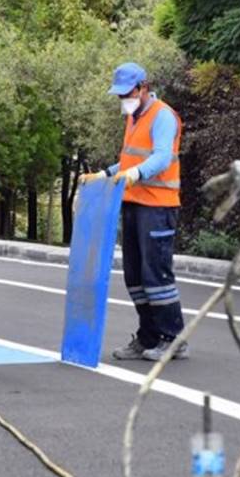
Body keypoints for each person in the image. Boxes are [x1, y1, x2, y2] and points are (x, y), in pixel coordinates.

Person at [81, 62, 187, 361]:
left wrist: (135, 174)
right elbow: (129, 162)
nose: (123, 99)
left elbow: (162, 158)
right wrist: (105, 174)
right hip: (132, 202)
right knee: (135, 276)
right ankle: (148, 336)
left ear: (143, 88)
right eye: (120, 95)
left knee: (156, 276)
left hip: (158, 206)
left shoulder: (162, 116)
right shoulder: (133, 117)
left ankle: (173, 338)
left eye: (127, 93)